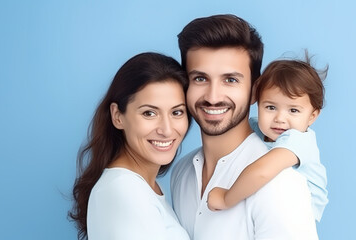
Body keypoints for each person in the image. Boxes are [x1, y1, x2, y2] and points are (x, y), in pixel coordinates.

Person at [170, 14, 318, 239]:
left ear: (254, 92)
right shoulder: (181, 172)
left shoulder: (280, 183)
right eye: (200, 78)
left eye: (230, 80)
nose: (213, 96)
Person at [69, 52, 191, 240]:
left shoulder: (144, 187)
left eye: (177, 112)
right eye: (149, 113)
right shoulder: (125, 190)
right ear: (117, 116)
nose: (167, 130)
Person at [207, 53, 329, 222]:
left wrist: (226, 199)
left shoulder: (298, 140)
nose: (279, 118)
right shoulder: (257, 127)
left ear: (312, 116)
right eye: (270, 107)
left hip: (297, 217)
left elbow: (262, 172)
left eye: (293, 110)